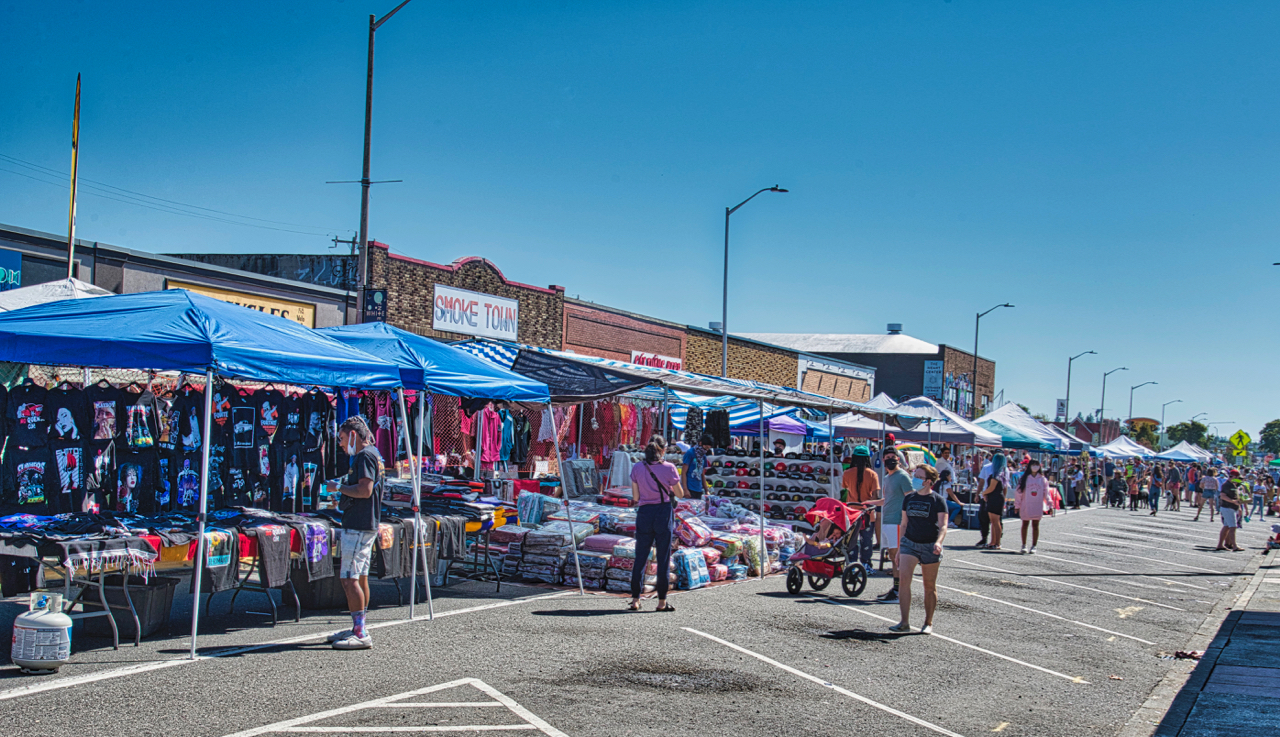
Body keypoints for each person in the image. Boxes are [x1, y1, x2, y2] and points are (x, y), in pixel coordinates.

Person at [327, 416, 386, 650]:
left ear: (353, 435)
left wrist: (338, 488)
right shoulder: (372, 454)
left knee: (349, 577)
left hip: (360, 524)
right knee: (360, 576)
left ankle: (361, 633)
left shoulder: (365, 455)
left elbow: (365, 490)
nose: (340, 444)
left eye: (342, 439)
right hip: (365, 522)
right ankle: (358, 626)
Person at [628, 434, 685, 612]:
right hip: (663, 512)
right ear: (662, 451)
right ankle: (661, 602)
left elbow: (635, 497)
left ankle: (636, 600)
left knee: (640, 558)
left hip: (644, 513)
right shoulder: (669, 468)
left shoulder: (637, 468)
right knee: (663, 558)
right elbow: (681, 494)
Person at [889, 464, 947, 635]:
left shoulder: (937, 500)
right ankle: (904, 622)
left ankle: (928, 622)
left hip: (930, 545)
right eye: (915, 475)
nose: (915, 478)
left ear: (929, 481)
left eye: (919, 476)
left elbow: (943, 525)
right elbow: (904, 524)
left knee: (929, 585)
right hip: (910, 543)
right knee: (905, 580)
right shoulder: (909, 498)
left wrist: (939, 542)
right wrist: (900, 548)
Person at [866, 451, 912, 602]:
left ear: (898, 459)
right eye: (887, 458)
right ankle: (896, 588)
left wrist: (906, 519)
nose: (890, 461)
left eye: (893, 458)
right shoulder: (887, 477)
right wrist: (869, 503)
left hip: (897, 521)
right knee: (893, 556)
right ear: (883, 461)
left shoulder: (903, 476)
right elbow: (886, 499)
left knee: (897, 556)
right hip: (887, 520)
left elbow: (910, 498)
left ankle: (900, 591)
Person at [841, 446, 880, 573]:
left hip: (852, 512)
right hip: (868, 512)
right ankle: (866, 564)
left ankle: (851, 563)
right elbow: (876, 496)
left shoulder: (847, 473)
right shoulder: (872, 474)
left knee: (852, 539)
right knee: (867, 539)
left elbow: (845, 488)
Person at [1016, 459, 1051, 554]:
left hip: (1037, 504)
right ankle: (1024, 545)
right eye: (1033, 465)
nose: (1035, 467)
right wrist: (1017, 505)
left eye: (1037, 465)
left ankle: (1034, 545)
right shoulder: (1024, 478)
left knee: (1035, 525)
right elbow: (1019, 492)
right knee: (1025, 524)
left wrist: (1049, 504)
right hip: (1026, 504)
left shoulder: (1043, 479)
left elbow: (1046, 492)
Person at [980, 452, 1009, 550]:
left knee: (996, 522)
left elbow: (991, 487)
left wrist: (984, 493)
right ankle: (993, 541)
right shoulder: (1002, 473)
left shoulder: (996, 475)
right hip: (996, 498)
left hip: (995, 498)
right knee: (993, 521)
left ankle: (997, 542)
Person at [1217, 470, 1245, 551]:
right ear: (1233, 476)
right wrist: (1232, 501)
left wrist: (1239, 507)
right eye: (1237, 477)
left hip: (1232, 508)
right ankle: (1234, 546)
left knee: (1226, 527)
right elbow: (1222, 496)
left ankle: (1220, 545)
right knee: (1233, 527)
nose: (1238, 479)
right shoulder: (1226, 485)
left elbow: (1236, 496)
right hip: (1227, 507)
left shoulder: (1233, 484)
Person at [681, 434, 713, 500]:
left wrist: (706, 490)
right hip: (689, 488)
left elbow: (702, 474)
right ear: (700, 443)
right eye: (706, 447)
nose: (706, 450)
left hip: (699, 489)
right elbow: (683, 472)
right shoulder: (690, 453)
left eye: (708, 448)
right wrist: (685, 490)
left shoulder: (703, 456)